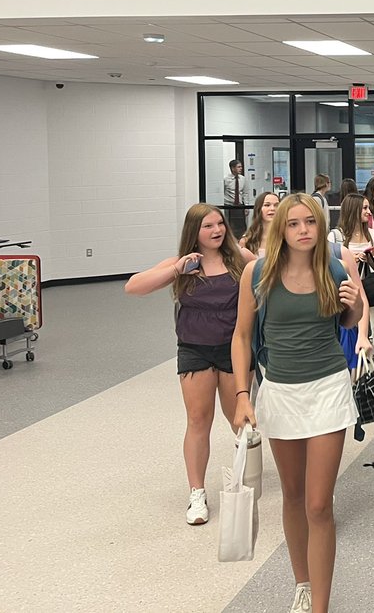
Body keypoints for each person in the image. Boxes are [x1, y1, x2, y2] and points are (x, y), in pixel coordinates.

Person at [231, 193, 363, 613]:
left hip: (327, 387)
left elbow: (348, 321)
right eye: (294, 223)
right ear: (280, 228)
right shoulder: (257, 273)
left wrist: (356, 306)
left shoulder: (334, 267)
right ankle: (301, 583)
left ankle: (320, 606)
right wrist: (240, 395)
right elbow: (240, 336)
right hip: (281, 390)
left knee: (318, 503)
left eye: (310, 222)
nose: (303, 229)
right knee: (291, 495)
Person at [125, 203, 255, 526]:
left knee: (238, 419)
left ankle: (246, 476)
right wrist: (177, 270)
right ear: (193, 232)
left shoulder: (239, 258)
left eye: (220, 224)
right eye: (208, 226)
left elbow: (274, 269)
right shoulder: (183, 264)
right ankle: (197, 492)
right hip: (194, 350)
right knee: (198, 420)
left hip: (233, 349)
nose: (216, 231)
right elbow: (133, 287)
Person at [326, 193, 374, 373]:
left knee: (365, 334)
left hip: (367, 288)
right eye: (364, 208)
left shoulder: (371, 233)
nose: (368, 211)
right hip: (343, 297)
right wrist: (351, 261)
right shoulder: (335, 237)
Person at [240, 191, 281, 256]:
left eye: (276, 205)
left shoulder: (286, 237)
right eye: (267, 205)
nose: (272, 208)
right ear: (258, 209)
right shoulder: (246, 241)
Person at [224, 159, 250, 234]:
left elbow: (245, 193)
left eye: (241, 167)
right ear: (232, 168)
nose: (241, 168)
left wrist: (246, 206)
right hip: (229, 206)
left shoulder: (243, 179)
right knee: (230, 226)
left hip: (239, 206)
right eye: (238, 167)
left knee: (241, 227)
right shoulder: (225, 179)